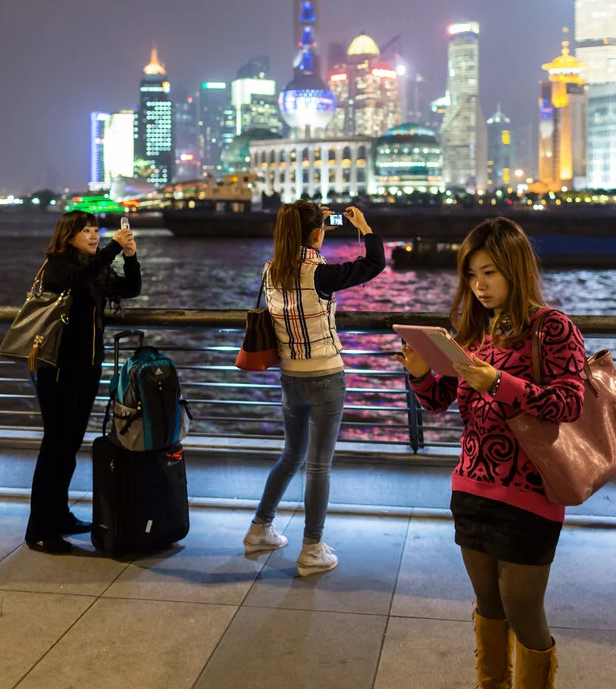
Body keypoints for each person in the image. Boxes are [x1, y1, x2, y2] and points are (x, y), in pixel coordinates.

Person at [397, 217, 585, 689]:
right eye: (471, 275)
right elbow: (439, 401)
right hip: (472, 485)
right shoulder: (475, 330)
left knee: (524, 610)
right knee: (489, 605)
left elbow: (570, 402)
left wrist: (499, 382)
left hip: (531, 492)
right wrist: (420, 372)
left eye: (490, 273)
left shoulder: (552, 328)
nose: (478, 286)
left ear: (515, 270)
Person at [243, 200, 385, 575]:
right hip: (325, 376)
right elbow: (373, 265)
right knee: (318, 466)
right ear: (317, 233)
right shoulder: (320, 272)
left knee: (292, 456)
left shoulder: (270, 270)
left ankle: (260, 528)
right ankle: (312, 548)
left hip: (290, 377)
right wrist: (365, 227)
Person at [25, 212, 141, 554]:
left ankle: (58, 516)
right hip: (57, 369)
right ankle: (39, 529)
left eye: (95, 230)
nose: (93, 236)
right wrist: (111, 248)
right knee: (55, 447)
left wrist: (130, 257)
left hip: (87, 368)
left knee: (70, 444)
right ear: (68, 236)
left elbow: (130, 289)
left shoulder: (96, 267)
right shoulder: (58, 266)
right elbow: (75, 279)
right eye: (86, 231)